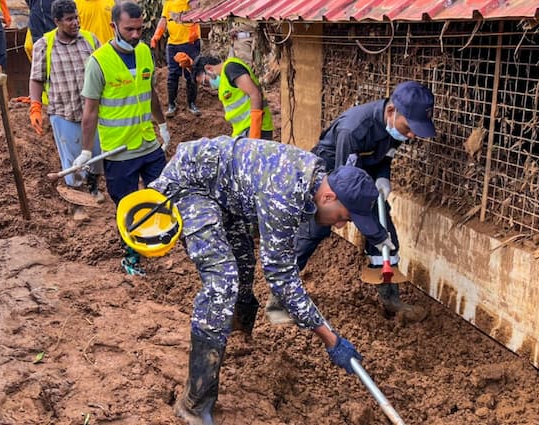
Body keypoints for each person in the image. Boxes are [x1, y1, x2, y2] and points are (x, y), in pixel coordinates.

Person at [148, 136, 372, 424]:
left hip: (225, 191)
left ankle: (238, 334)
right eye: (343, 216)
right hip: (191, 185)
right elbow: (280, 276)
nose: (340, 224)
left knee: (243, 262)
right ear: (329, 197)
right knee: (222, 281)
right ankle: (194, 401)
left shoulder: (313, 177)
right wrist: (331, 339)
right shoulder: (287, 192)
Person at [267, 81, 436, 325]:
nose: (411, 135)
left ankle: (391, 300)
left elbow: (384, 158)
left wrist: (382, 178)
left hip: (361, 178)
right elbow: (343, 183)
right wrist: (368, 225)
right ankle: (278, 299)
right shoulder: (354, 129)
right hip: (330, 175)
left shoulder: (395, 128)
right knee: (312, 232)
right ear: (391, 111)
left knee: (385, 232)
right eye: (409, 128)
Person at [74, 1, 170, 275]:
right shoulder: (98, 63)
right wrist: (85, 151)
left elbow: (149, 93)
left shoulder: (144, 53)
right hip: (118, 151)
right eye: (129, 29)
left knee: (160, 195)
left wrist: (162, 125)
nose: (136, 35)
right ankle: (131, 256)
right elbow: (90, 112)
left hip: (148, 144)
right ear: (113, 26)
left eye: (140, 29)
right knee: (127, 207)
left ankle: (155, 241)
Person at [29, 0, 104, 222]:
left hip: (92, 111)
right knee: (72, 161)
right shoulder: (45, 45)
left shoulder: (90, 40)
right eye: (70, 19)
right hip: (63, 111)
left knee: (96, 154)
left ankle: (93, 187)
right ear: (57, 22)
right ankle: (76, 205)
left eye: (76, 17)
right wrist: (35, 106)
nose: (75, 23)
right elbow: (36, 78)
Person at [191, 55, 274, 139]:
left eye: (205, 82)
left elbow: (255, 94)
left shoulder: (231, 68)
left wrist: (254, 133)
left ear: (209, 69)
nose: (209, 86)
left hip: (256, 129)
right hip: (243, 132)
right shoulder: (224, 80)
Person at [150, 0, 202, 117]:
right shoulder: (168, 2)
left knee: (191, 74)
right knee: (173, 74)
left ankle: (192, 104)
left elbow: (198, 8)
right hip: (173, 44)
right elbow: (164, 20)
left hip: (190, 42)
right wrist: (156, 35)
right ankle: (171, 105)